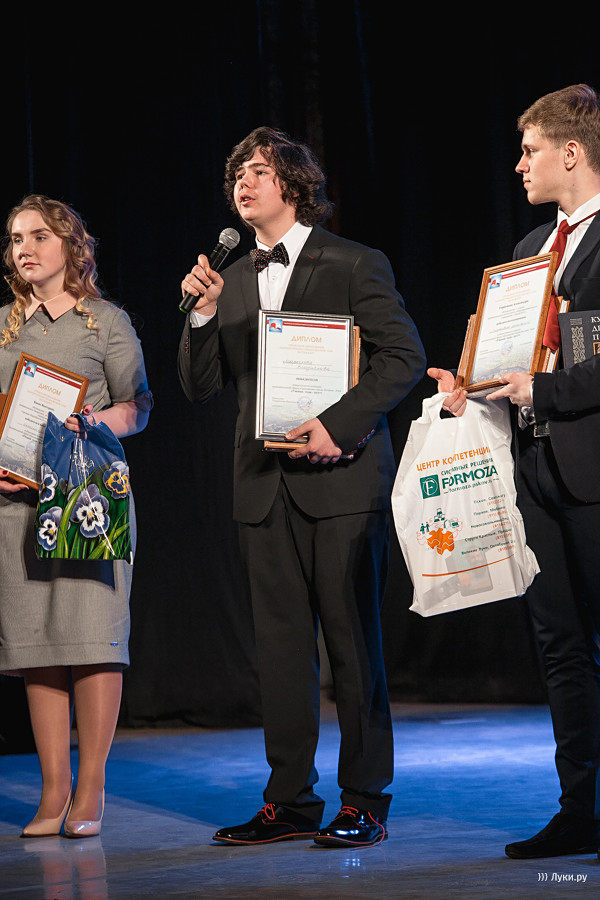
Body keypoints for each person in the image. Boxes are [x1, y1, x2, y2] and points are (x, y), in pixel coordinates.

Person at [178, 127, 425, 848]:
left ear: (293, 182)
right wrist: (200, 314)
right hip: (262, 487)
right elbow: (199, 385)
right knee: (282, 652)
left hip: (341, 479)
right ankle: (288, 801)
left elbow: (403, 356)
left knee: (353, 646)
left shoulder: (352, 261)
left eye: (258, 171)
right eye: (237, 174)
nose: (244, 183)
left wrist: (337, 425)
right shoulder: (232, 278)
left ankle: (364, 800)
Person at [430, 84, 600, 859]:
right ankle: (580, 810)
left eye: (531, 150)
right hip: (536, 467)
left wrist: (547, 390)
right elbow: (514, 358)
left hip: (593, 470)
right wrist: (471, 385)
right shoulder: (533, 247)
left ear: (572, 152)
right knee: (560, 644)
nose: (519, 164)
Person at [0, 195, 152, 837]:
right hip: (18, 505)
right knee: (39, 644)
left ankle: (90, 790)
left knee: (91, 642)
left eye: (38, 235)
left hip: (89, 500)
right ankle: (53, 791)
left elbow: (137, 407)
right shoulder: (4, 325)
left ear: (71, 245)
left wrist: (90, 422)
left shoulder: (106, 323)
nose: (24, 249)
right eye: (15, 239)